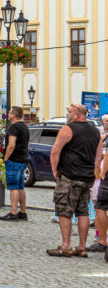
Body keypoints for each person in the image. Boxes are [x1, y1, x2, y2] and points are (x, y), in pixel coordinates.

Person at [47, 103, 102, 258]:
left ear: (77, 114)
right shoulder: (95, 131)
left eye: (69, 112)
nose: (67, 114)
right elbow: (99, 156)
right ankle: (82, 247)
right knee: (83, 211)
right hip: (87, 178)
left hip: (69, 176)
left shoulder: (68, 129)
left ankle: (66, 246)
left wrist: (54, 170)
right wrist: (94, 173)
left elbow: (55, 151)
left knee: (64, 210)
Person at [0, 106, 30, 223]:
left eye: (10, 112)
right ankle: (23, 212)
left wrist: (6, 158)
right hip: (23, 159)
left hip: (14, 160)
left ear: (14, 115)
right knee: (20, 186)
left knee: (13, 187)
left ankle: (13, 212)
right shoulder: (25, 127)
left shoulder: (14, 128)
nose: (8, 114)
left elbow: (11, 144)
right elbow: (27, 144)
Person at [91, 116, 108, 259]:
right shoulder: (104, 137)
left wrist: (102, 174)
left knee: (100, 207)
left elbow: (107, 156)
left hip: (105, 177)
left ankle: (102, 240)